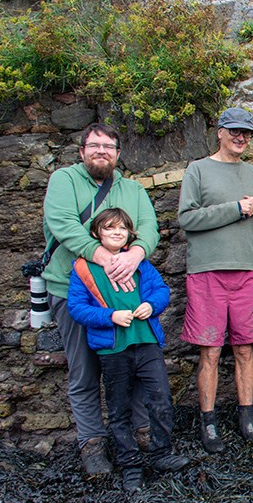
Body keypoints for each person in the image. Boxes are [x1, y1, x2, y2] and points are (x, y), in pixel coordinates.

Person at [42, 122, 159, 475]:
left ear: (118, 154)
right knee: (83, 370)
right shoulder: (64, 180)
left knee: (133, 365)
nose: (101, 152)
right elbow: (62, 223)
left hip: (125, 295)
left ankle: (141, 433)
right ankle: (92, 443)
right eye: (94, 146)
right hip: (72, 288)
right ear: (82, 151)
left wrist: (135, 254)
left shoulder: (133, 189)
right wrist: (104, 256)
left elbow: (149, 228)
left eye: (108, 147)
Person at [67, 208, 190, 491]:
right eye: (109, 228)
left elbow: (160, 290)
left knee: (161, 399)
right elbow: (76, 308)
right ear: (97, 233)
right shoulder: (83, 268)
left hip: (146, 343)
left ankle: (162, 454)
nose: (117, 233)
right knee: (119, 409)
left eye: (122, 228)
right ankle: (130, 465)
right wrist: (109, 316)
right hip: (113, 350)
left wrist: (153, 305)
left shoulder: (140, 263)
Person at [178, 107, 253, 453]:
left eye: (246, 132)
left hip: (245, 270)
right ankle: (209, 422)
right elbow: (187, 218)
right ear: (219, 132)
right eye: (234, 131)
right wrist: (235, 208)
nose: (241, 137)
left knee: (245, 349)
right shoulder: (198, 169)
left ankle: (247, 418)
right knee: (211, 351)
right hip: (207, 271)